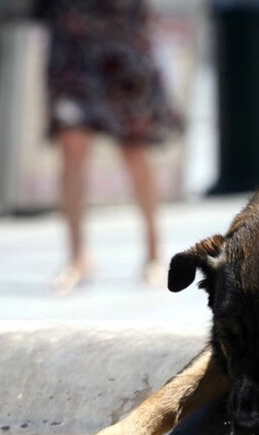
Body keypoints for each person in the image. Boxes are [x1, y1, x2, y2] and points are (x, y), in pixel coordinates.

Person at [37, 0, 184, 294]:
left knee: (134, 149)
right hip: (73, 40)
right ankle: (77, 256)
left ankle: (154, 252)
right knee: (72, 142)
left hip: (123, 36)